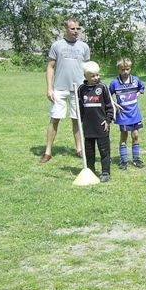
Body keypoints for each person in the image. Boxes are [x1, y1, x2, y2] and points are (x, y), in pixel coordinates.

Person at [40, 17, 90, 163]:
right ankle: (48, 152)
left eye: (77, 29)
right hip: (60, 89)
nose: (75, 31)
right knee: (55, 119)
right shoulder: (57, 46)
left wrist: (88, 87)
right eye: (72, 28)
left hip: (78, 90)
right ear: (66, 29)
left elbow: (87, 69)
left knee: (77, 120)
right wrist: (49, 88)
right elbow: (50, 67)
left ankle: (79, 149)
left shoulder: (84, 47)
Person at [77, 61, 114, 183]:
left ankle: (105, 172)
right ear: (85, 76)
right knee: (89, 151)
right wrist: (81, 121)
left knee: (104, 150)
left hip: (101, 126)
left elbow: (110, 106)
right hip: (88, 127)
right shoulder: (81, 89)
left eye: (97, 75)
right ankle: (91, 170)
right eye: (92, 76)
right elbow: (80, 108)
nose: (96, 78)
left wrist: (108, 120)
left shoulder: (103, 87)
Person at [109, 57, 145, 170]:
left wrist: (138, 93)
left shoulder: (135, 80)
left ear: (130, 69)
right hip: (123, 115)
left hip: (135, 114)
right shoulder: (115, 83)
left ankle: (136, 159)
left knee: (135, 135)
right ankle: (123, 160)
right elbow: (108, 95)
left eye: (127, 69)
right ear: (118, 70)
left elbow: (142, 86)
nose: (125, 72)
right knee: (123, 136)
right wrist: (114, 103)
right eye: (122, 70)